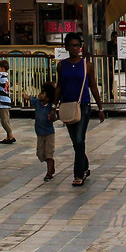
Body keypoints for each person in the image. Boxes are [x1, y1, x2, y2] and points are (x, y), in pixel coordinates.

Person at [55, 31, 101, 185]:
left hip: (83, 106)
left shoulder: (87, 65)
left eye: (77, 45)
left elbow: (93, 86)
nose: (74, 48)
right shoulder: (62, 65)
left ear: (81, 47)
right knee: (76, 142)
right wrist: (53, 106)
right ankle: (85, 166)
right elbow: (59, 87)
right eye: (71, 46)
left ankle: (78, 174)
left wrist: (100, 108)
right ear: (67, 47)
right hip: (67, 106)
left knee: (80, 139)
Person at [31, 77, 60, 182]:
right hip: (39, 133)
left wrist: (52, 117)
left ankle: (49, 171)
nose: (39, 95)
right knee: (40, 154)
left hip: (49, 133)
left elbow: (55, 117)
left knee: (49, 153)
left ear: (48, 97)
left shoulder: (50, 108)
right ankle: (50, 165)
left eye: (42, 93)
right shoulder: (37, 103)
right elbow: (30, 98)